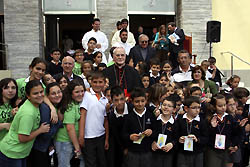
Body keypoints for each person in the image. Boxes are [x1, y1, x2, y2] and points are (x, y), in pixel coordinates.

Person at [0, 80, 50, 167]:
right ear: (28, 96)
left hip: (19, 152)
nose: (39, 95)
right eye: (35, 93)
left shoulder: (34, 104)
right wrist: (40, 130)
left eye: (41, 92)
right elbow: (22, 138)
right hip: (12, 153)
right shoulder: (28, 113)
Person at [205, 94, 247, 167]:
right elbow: (206, 135)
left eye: (224, 105)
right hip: (213, 149)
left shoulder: (229, 117)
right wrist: (212, 127)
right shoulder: (209, 118)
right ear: (214, 106)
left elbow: (234, 132)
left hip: (226, 149)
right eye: (220, 106)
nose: (223, 108)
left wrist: (240, 127)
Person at [27, 82, 62, 167]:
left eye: (59, 92)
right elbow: (46, 132)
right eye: (53, 93)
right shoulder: (45, 109)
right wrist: (59, 123)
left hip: (44, 147)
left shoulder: (53, 106)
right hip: (39, 148)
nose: (57, 95)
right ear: (47, 96)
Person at [79, 71, 109, 167]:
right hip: (88, 137)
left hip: (101, 135)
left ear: (104, 83)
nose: (97, 84)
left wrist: (107, 139)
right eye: (95, 82)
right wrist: (81, 135)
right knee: (91, 163)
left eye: (100, 82)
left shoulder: (105, 99)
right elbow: (83, 115)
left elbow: (105, 120)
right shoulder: (86, 95)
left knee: (102, 161)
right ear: (90, 82)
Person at [122, 87, 156, 167]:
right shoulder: (128, 117)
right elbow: (123, 134)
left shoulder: (151, 115)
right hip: (133, 152)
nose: (140, 104)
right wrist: (130, 137)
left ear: (146, 101)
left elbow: (157, 131)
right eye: (137, 101)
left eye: (142, 101)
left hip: (147, 151)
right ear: (132, 101)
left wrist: (151, 132)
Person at [55, 79, 85, 167]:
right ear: (71, 93)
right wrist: (77, 148)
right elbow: (70, 127)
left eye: (82, 91)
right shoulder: (70, 105)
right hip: (64, 141)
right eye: (77, 92)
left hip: (72, 140)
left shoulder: (77, 103)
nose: (80, 94)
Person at [176, 96, 208, 167]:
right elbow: (175, 134)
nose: (197, 110)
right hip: (183, 153)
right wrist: (179, 139)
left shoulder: (202, 121)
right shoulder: (180, 120)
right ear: (186, 108)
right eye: (194, 108)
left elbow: (206, 138)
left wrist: (197, 139)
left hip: (197, 153)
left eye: (199, 107)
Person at [107, 86, 132, 167]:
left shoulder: (132, 110)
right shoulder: (111, 115)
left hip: (132, 146)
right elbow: (116, 135)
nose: (119, 102)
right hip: (118, 147)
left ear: (125, 98)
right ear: (112, 101)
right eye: (116, 100)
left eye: (121, 99)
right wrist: (123, 149)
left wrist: (128, 147)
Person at [151, 96, 178, 167]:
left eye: (169, 106)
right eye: (164, 105)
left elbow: (177, 138)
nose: (166, 107)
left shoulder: (175, 124)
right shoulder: (155, 120)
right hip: (155, 153)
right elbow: (150, 134)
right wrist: (152, 143)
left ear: (174, 109)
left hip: (168, 155)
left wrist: (172, 144)